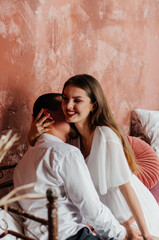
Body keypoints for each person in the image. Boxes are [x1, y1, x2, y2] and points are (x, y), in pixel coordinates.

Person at [28, 75, 159, 240]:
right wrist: (31, 135)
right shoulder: (73, 138)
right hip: (108, 218)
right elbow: (46, 148)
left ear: (93, 105)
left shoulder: (105, 136)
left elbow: (126, 188)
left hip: (131, 213)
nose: (68, 106)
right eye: (65, 98)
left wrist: (146, 233)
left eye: (77, 100)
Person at [14, 93, 130, 240]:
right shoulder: (66, 153)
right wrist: (122, 235)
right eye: (65, 112)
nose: (72, 116)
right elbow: (92, 208)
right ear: (47, 115)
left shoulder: (22, 164)